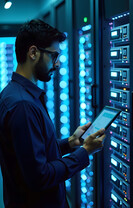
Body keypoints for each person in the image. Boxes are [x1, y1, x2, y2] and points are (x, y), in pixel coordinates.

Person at [0, 19, 105, 208]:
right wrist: (85, 152)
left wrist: (70, 143)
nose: (57, 64)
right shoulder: (23, 105)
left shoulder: (16, 95)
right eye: (54, 56)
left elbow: (32, 151)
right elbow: (40, 176)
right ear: (33, 53)